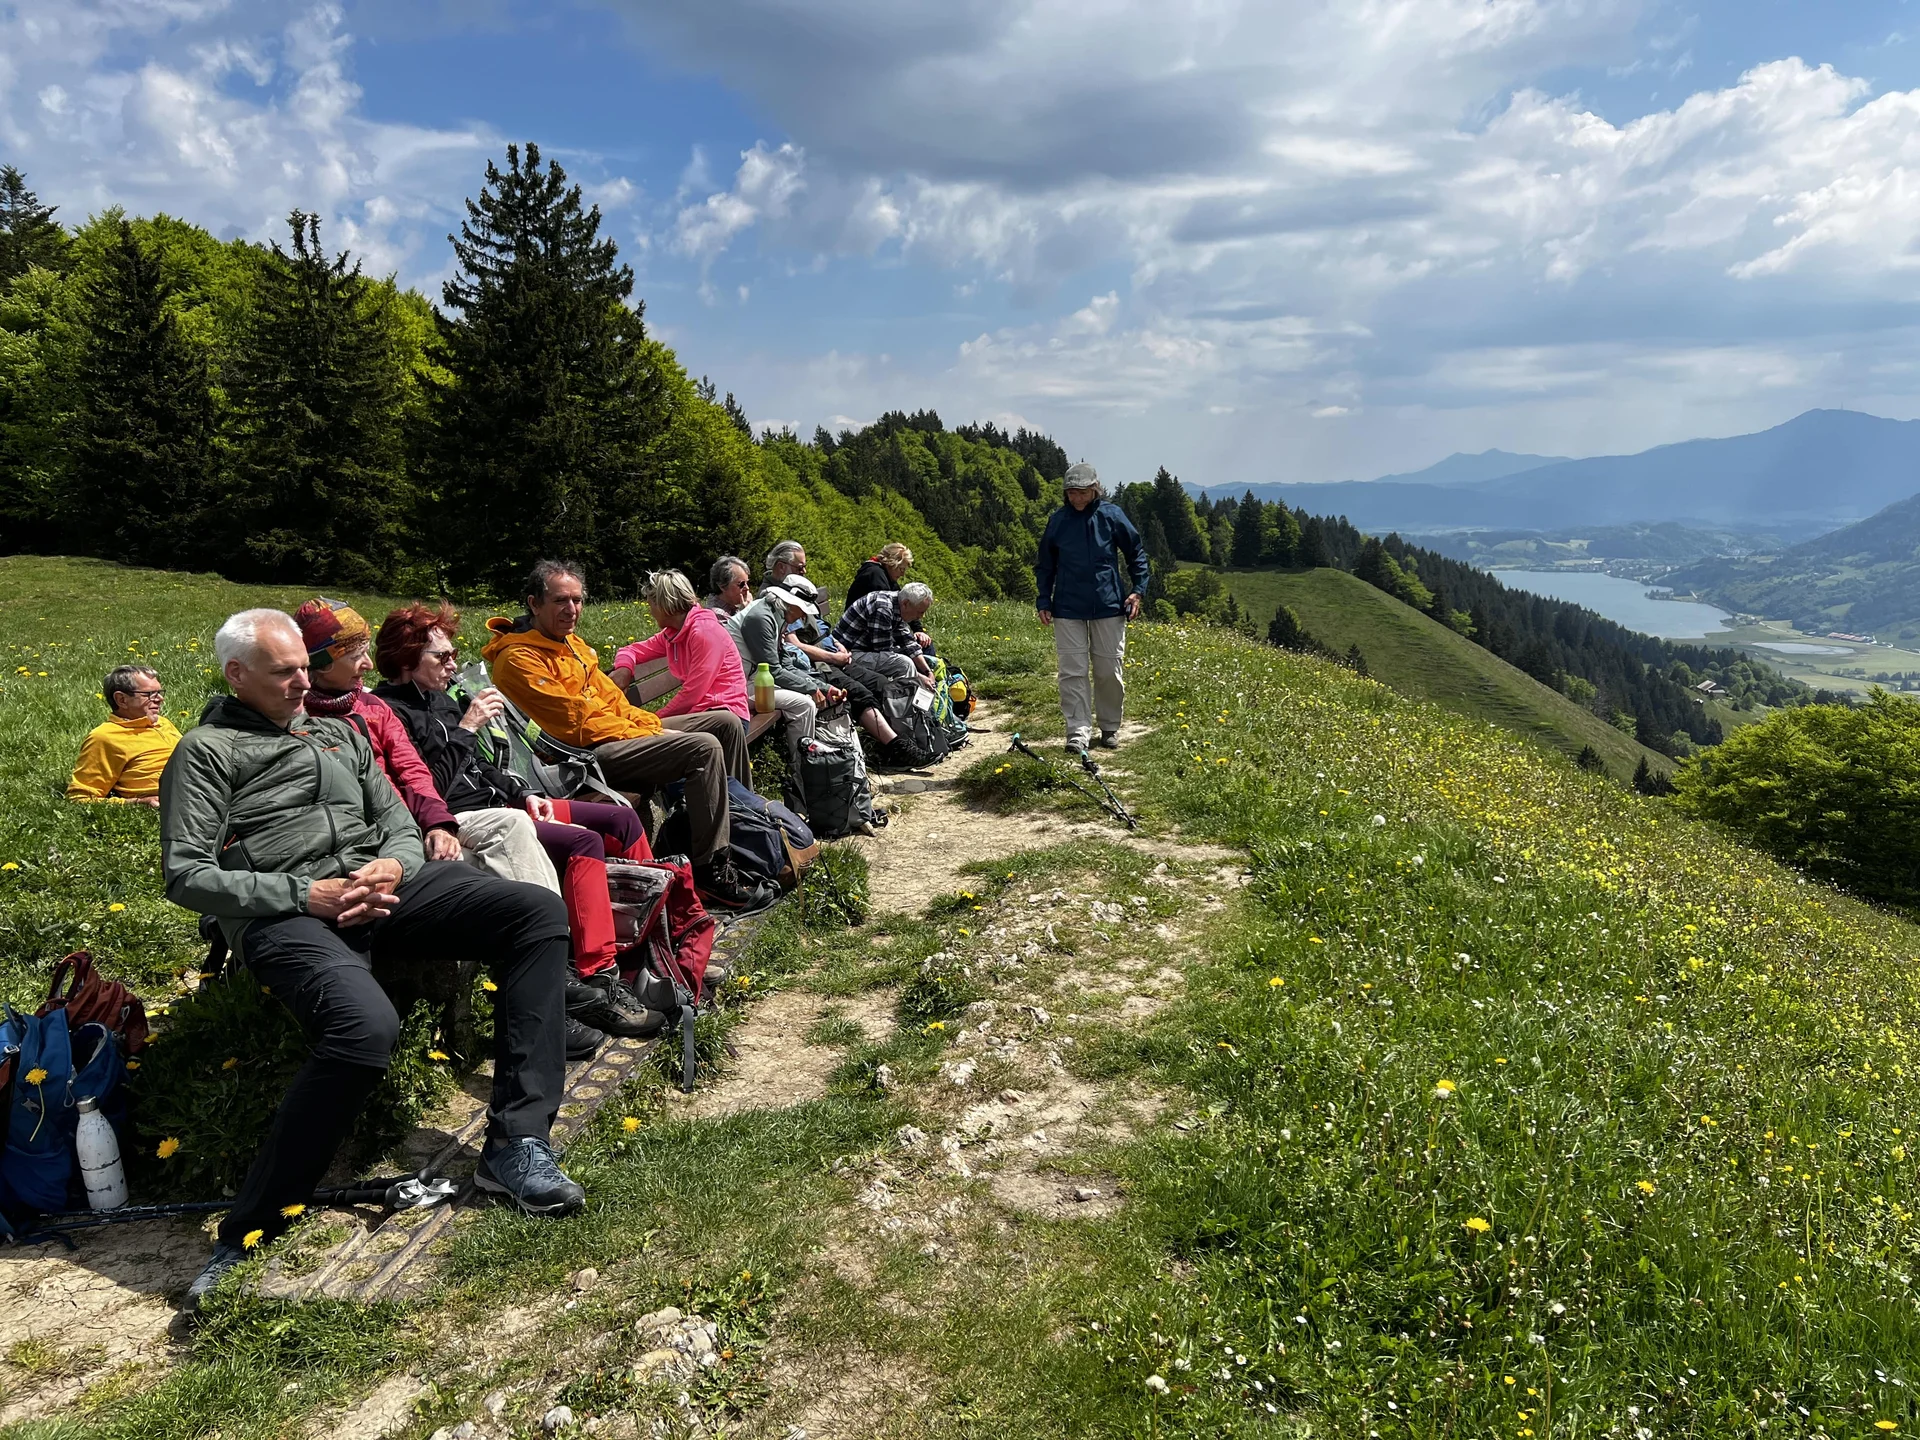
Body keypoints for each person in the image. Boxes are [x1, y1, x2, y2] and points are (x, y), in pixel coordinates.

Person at [162, 608, 583, 1310]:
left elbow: (396, 818)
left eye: (305, 666)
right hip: (287, 912)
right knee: (365, 1029)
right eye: (285, 672)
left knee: (533, 913)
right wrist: (308, 892)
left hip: (383, 887)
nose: (304, 682)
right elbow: (186, 874)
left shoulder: (337, 730)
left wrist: (391, 863)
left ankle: (515, 1145)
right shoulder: (205, 751)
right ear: (236, 675)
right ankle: (251, 1227)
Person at [371, 604, 662, 1042]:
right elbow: (428, 787)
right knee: (583, 843)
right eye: (441, 657)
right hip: (462, 819)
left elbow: (480, 765)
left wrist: (523, 792)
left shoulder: (440, 698)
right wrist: (468, 727)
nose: (453, 664)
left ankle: (647, 950)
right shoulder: (392, 711)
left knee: (618, 819)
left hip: (503, 805)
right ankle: (594, 972)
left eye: (453, 654)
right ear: (406, 659)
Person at [482, 561, 767, 911]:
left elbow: (611, 699)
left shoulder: (571, 645)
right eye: (560, 601)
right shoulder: (519, 659)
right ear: (534, 604)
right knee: (704, 748)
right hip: (585, 758)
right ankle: (712, 872)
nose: (571, 610)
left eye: (577, 600)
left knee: (723, 722)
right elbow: (578, 724)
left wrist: (642, 721)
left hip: (619, 735)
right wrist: (646, 726)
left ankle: (743, 828)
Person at [736, 582, 923, 770]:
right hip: (744, 684)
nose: (803, 616)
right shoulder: (762, 618)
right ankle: (803, 768)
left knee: (863, 689)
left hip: (763, 676)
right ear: (789, 603)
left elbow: (783, 664)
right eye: (802, 610)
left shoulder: (778, 615)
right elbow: (774, 670)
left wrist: (824, 688)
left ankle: (864, 757)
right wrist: (813, 687)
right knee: (806, 704)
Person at [1035, 461, 1148, 753]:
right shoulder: (1058, 521)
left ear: (1095, 489)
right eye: (1072, 493)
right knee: (1072, 671)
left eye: (1083, 492)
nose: (1077, 498)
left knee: (1109, 669)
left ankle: (1109, 727)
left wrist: (1138, 591)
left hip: (1109, 604)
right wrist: (1043, 599)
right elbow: (1046, 564)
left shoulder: (1112, 515)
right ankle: (1077, 731)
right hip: (1067, 607)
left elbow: (1135, 551)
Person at [607, 570, 752, 787]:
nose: (650, 610)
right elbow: (631, 650)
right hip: (702, 713)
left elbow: (692, 694)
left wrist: (653, 720)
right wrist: (624, 669)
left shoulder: (704, 632)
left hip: (726, 714)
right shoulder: (673, 631)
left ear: (664, 604)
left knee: (645, 735)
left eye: (651, 604)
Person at [66, 664, 179, 806]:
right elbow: (79, 798)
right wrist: (138, 802)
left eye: (160, 692)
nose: (160, 699)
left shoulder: (163, 723)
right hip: (181, 797)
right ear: (122, 700)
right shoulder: (104, 737)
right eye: (150, 694)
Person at [834, 582, 937, 691]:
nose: (921, 617)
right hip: (847, 653)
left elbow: (907, 641)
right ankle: (901, 702)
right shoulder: (882, 607)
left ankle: (909, 697)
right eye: (920, 612)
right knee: (904, 664)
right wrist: (921, 678)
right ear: (906, 603)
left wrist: (928, 671)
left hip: (866, 649)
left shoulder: (897, 605)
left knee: (919, 652)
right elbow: (884, 651)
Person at [845, 543, 912, 611]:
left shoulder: (887, 576)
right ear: (891, 563)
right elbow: (886, 607)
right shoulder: (875, 575)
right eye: (901, 569)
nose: (902, 574)